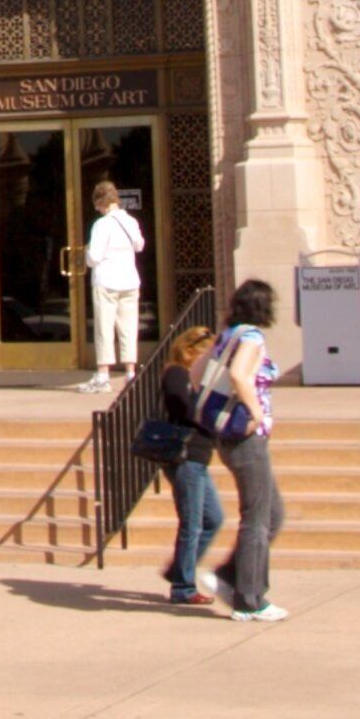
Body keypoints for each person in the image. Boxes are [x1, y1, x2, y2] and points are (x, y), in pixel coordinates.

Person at [207, 279, 286, 622]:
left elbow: (198, 373)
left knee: (272, 514)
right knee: (257, 518)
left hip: (227, 435)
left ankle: (230, 575)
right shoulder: (251, 338)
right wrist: (254, 411)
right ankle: (250, 599)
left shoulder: (227, 336)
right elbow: (240, 375)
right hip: (246, 436)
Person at [153, 321, 225, 606]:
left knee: (213, 518)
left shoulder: (195, 377)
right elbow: (182, 407)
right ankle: (183, 586)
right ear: (192, 351)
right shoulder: (177, 374)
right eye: (207, 355)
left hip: (197, 457)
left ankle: (178, 570)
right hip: (185, 457)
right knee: (192, 522)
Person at [82, 180, 145, 390]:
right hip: (129, 280)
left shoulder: (102, 224)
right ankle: (129, 372)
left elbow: (94, 257)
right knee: (129, 327)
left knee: (104, 328)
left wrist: (87, 252)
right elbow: (139, 245)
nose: (96, 209)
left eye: (97, 204)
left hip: (107, 281)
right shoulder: (130, 221)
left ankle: (103, 375)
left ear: (101, 201)